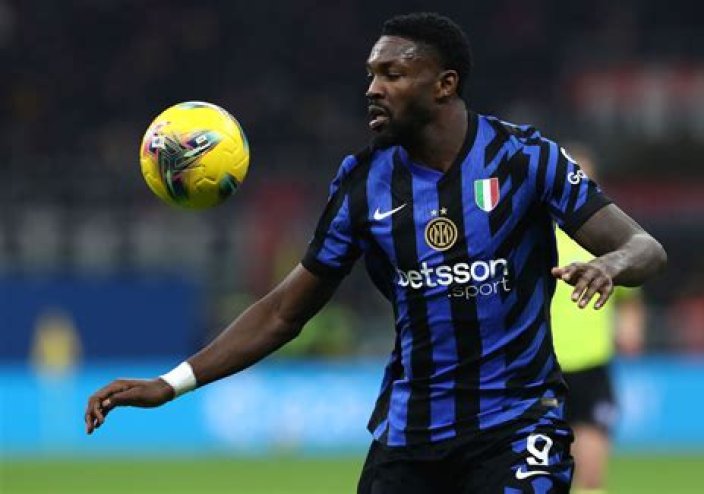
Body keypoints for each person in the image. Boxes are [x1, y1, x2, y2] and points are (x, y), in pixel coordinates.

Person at [85, 13, 666, 494]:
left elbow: (644, 247)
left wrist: (610, 264)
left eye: (393, 73)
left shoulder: (524, 159)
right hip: (410, 438)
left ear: (444, 84)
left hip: (516, 426)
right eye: (371, 74)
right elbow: (284, 311)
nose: (373, 88)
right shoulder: (363, 185)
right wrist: (172, 383)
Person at [550, 145, 647, 494]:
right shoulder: (536, 236)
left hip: (591, 367)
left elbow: (629, 298)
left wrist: (631, 326)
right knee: (542, 476)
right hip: (541, 370)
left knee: (591, 476)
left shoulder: (607, 240)